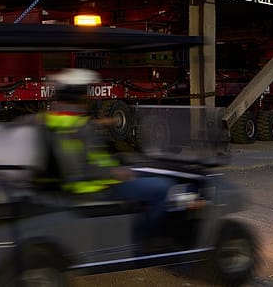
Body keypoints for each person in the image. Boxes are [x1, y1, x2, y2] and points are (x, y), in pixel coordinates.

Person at [40, 68, 174, 250]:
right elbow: (86, 168)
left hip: (74, 185)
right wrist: (116, 172)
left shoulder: (53, 121)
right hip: (97, 188)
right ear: (80, 95)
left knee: (140, 174)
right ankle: (142, 239)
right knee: (161, 187)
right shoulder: (81, 126)